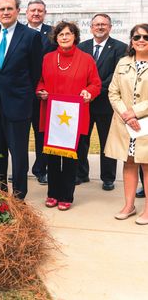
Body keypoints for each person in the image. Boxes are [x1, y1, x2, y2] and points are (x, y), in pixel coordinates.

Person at [0, 0, 43, 199]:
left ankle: (18, 196)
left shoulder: (31, 36)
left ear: (18, 11)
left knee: (18, 155)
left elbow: (36, 72)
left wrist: (23, 94)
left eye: (10, 8)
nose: (6, 12)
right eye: (2, 9)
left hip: (18, 106)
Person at [36, 22, 101, 211]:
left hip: (75, 116)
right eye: (61, 34)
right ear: (55, 38)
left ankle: (66, 196)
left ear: (75, 37)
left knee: (72, 158)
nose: (64, 37)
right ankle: (52, 193)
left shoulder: (86, 59)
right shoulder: (47, 58)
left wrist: (89, 92)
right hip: (52, 115)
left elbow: (95, 84)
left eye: (68, 34)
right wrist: (40, 91)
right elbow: (40, 81)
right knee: (53, 156)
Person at [77, 14, 128, 190]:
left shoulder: (120, 48)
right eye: (97, 24)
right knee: (81, 140)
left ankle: (108, 178)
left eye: (104, 25)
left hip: (106, 103)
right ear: (91, 27)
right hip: (84, 102)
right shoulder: (81, 47)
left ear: (110, 27)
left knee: (107, 141)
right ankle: (81, 173)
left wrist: (94, 89)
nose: (100, 27)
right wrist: (85, 91)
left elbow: (116, 75)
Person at [105, 24, 148, 224]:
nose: (141, 40)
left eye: (145, 37)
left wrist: (136, 112)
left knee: (147, 165)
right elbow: (113, 92)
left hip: (145, 124)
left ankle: (147, 210)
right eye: (136, 36)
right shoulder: (123, 63)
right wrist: (126, 115)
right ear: (131, 40)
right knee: (129, 163)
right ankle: (129, 205)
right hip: (125, 124)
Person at [25, 0, 57, 185]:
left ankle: (40, 169)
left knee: (41, 133)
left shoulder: (52, 34)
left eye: (40, 10)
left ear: (44, 13)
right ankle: (21, 169)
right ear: (26, 13)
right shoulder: (18, 32)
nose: (36, 13)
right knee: (19, 135)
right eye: (33, 10)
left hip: (43, 94)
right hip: (22, 93)